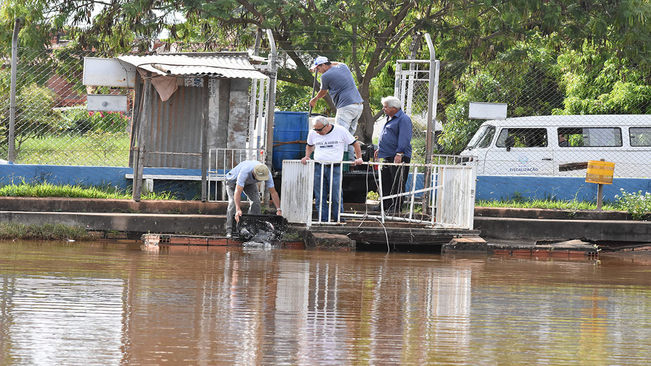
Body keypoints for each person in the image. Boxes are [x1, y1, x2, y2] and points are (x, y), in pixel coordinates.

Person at [301, 116, 363, 222]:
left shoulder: (340, 130)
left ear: (327, 126)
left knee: (336, 195)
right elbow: (309, 145)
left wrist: (359, 157)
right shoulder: (313, 133)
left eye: (319, 129)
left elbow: (355, 144)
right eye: (315, 129)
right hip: (319, 166)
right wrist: (307, 156)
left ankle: (339, 219)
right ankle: (323, 220)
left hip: (335, 167)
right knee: (320, 196)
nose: (317, 132)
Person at [309, 56, 364, 160]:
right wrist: (323, 64)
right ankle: (351, 160)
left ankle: (341, 162)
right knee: (349, 135)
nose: (319, 71)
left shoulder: (325, 76)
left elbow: (323, 92)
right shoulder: (343, 67)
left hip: (346, 107)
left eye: (318, 68)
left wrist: (314, 99)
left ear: (324, 65)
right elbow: (336, 63)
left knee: (340, 135)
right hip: (358, 106)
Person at [374, 96, 413, 213]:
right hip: (387, 155)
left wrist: (400, 153)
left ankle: (396, 206)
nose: (383, 109)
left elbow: (405, 137)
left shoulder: (403, 119)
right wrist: (380, 149)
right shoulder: (388, 118)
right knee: (386, 181)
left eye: (386, 107)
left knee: (397, 182)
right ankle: (385, 204)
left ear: (394, 108)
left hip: (398, 156)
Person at [224, 161, 281, 237]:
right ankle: (230, 230)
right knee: (233, 203)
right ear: (253, 173)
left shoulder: (267, 173)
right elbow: (238, 191)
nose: (260, 181)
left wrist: (278, 209)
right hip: (232, 180)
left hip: (249, 183)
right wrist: (238, 209)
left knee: (256, 201)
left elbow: (273, 192)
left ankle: (252, 227)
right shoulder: (245, 171)